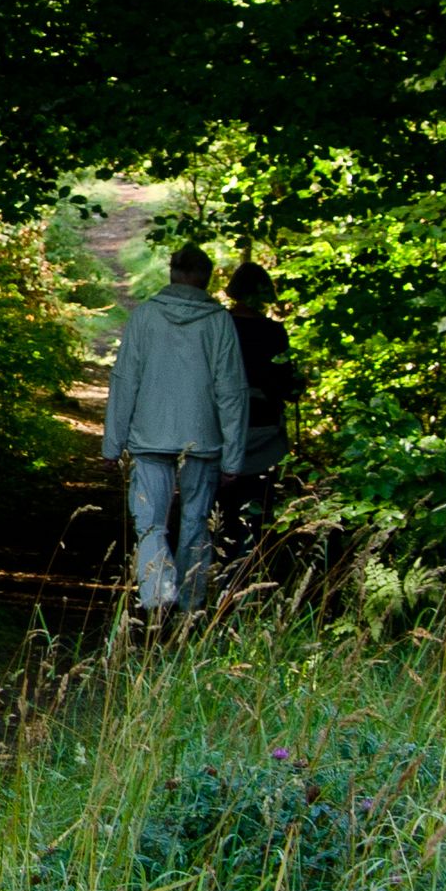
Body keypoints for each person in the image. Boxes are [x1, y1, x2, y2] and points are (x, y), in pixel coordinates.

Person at [103, 242, 247, 616]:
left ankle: (156, 596)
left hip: (150, 436)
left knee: (150, 522)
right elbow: (231, 391)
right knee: (197, 521)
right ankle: (189, 604)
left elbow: (125, 381)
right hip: (204, 439)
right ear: (206, 278)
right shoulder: (218, 322)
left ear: (172, 274)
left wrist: (112, 444)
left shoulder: (145, 317)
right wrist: (234, 455)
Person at [217, 259, 298, 570]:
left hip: (221, 427)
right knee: (259, 507)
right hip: (264, 432)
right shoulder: (273, 332)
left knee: (220, 508)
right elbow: (284, 384)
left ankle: (220, 568)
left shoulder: (218, 326)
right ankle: (252, 571)